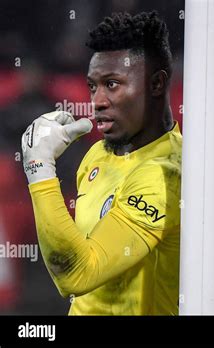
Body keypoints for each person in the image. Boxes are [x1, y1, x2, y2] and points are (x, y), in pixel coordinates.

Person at [21, 11, 181, 315]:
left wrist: (39, 167)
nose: (97, 101)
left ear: (156, 85)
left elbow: (76, 273)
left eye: (112, 84)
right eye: (93, 86)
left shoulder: (166, 175)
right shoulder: (98, 154)